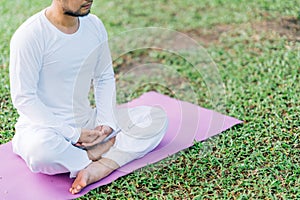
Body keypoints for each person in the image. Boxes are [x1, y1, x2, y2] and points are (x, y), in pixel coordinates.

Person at [9, 0, 168, 195]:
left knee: (155, 118)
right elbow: (24, 98)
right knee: (40, 153)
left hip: (87, 124)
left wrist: (106, 122)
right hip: (44, 129)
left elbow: (104, 77)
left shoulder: (94, 25)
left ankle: (101, 166)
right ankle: (100, 154)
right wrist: (73, 133)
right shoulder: (30, 35)